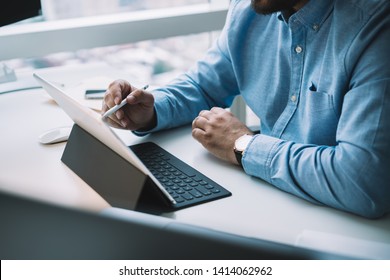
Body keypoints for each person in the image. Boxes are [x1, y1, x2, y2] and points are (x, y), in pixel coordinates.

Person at [102, 0, 390, 218]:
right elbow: (203, 86)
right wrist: (149, 112)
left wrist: (243, 145)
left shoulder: (376, 26)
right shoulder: (250, 10)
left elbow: (361, 181)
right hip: (265, 202)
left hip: (345, 228)